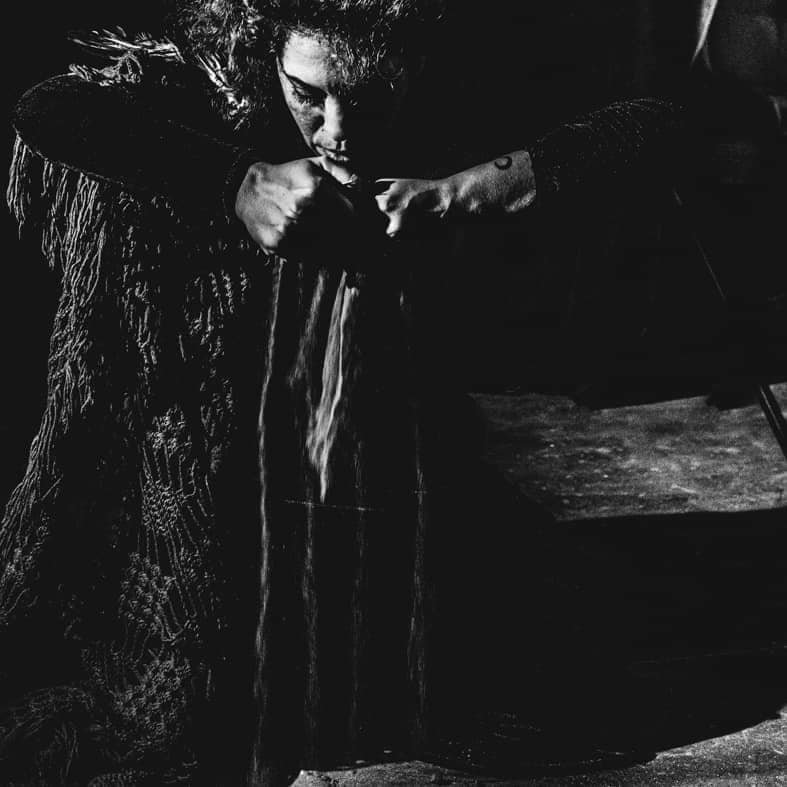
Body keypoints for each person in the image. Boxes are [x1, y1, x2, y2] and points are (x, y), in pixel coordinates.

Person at [0, 1, 681, 784]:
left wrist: (463, 192)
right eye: (307, 94)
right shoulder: (214, 84)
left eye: (368, 98)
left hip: (387, 445)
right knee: (201, 689)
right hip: (217, 445)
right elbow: (48, 108)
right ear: (266, 54)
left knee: (536, 657)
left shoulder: (459, 78)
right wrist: (238, 182)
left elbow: (660, 124)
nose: (337, 130)